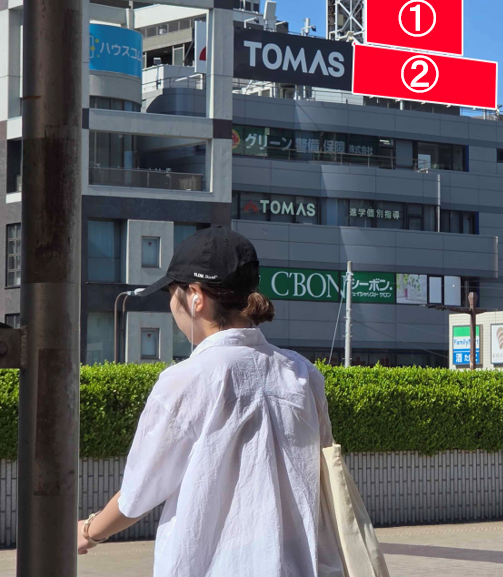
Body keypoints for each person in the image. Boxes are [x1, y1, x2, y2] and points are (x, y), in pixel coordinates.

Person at [76, 226, 336, 576]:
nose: (172, 306)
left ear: (195, 297)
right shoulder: (303, 373)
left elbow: (139, 494)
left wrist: (89, 531)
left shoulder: (186, 379)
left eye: (172, 293)